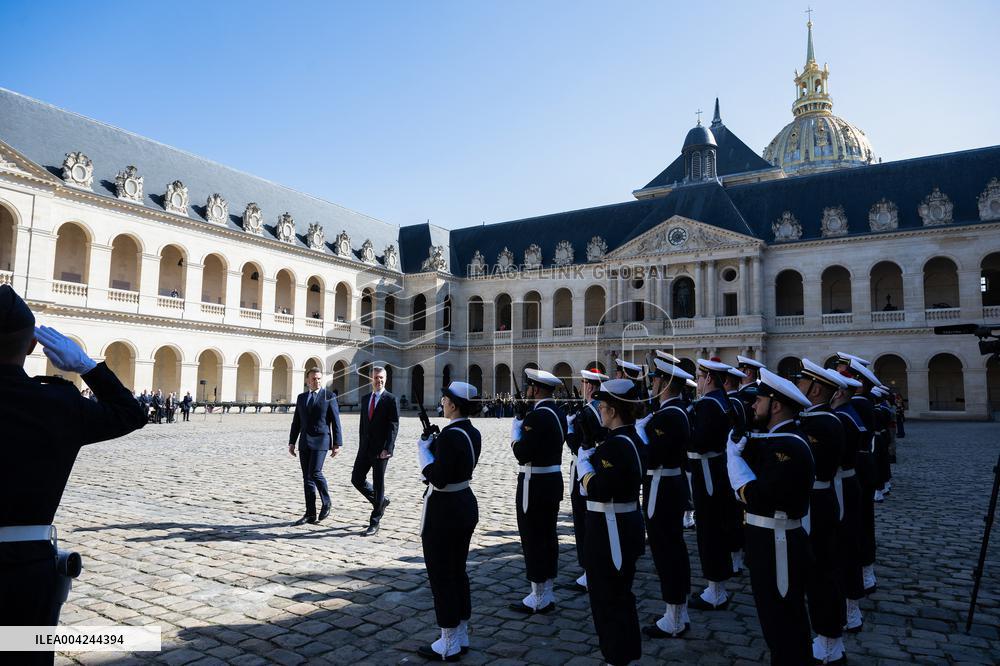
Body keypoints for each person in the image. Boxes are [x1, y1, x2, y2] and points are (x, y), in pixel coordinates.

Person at [0, 285, 146, 666]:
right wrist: (88, 367)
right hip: (26, 569)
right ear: (32, 346)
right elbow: (130, 414)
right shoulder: (57, 404)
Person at [727, 368, 815, 665]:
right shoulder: (780, 439)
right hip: (767, 540)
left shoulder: (787, 446)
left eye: (759, 401)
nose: (753, 406)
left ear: (775, 405)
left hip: (778, 542)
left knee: (782, 621)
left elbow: (757, 495)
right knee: (774, 617)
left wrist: (734, 461)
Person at [576, 378, 645, 665]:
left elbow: (598, 489)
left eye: (603, 406)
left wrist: (584, 468)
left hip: (610, 531)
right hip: (624, 524)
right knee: (621, 596)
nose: (600, 411)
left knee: (607, 601)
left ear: (614, 411)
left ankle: (616, 657)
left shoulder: (615, 446)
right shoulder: (632, 438)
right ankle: (624, 653)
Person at [415, 382, 482, 661]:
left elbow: (437, 476)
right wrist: (436, 446)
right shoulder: (471, 431)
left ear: (453, 404)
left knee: (442, 575)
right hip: (464, 503)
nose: (442, 402)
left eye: (445, 399)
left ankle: (448, 640)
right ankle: (461, 632)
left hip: (444, 510)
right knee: (458, 572)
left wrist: (424, 451)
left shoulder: (450, 436)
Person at [793, 359, 848, 664]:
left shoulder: (820, 423)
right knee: (818, 570)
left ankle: (828, 642)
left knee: (822, 571)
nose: (797, 385)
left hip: (817, 502)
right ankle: (826, 636)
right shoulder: (819, 419)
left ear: (814, 388)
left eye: (801, 381)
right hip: (818, 500)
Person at [641, 358, 694, 639]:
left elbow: (652, 456)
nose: (652, 383)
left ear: (664, 382)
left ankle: (673, 616)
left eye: (655, 379)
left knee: (666, 551)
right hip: (671, 483)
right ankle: (678, 611)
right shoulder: (675, 411)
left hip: (662, 485)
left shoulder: (669, 415)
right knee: (674, 549)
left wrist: (639, 437)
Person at [509, 368, 566, 613]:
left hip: (535, 483)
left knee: (533, 537)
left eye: (529, 387)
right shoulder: (559, 412)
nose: (527, 392)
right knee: (548, 536)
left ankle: (538, 595)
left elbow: (522, 453)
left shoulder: (536, 417)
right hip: (553, 480)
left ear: (535, 389)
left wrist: (515, 432)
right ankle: (548, 589)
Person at [687, 359, 738, 611]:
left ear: (708, 378)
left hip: (706, 471)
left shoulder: (709, 404)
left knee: (709, 531)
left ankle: (715, 589)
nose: (697, 381)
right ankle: (717, 585)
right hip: (718, 468)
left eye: (699, 376)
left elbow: (699, 440)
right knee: (716, 526)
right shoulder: (723, 400)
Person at [563, 367, 608, 593]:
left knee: (582, 520)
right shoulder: (602, 409)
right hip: (598, 468)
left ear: (590, 386)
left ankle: (588, 570)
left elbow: (575, 445)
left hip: (583, 470)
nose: (583, 387)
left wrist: (569, 428)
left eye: (584, 383)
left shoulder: (587, 413)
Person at [288, 367, 343, 525]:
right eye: (313, 378)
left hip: (321, 440)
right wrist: (292, 442)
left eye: (319, 378)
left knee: (315, 472)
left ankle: (326, 502)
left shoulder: (329, 396)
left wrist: (337, 443)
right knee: (307, 478)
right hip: (305, 441)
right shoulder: (301, 397)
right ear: (307, 380)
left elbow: (335, 421)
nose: (316, 381)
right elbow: (296, 422)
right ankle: (310, 513)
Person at [353, 366, 398, 536]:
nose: (378, 380)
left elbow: (394, 425)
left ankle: (375, 520)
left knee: (379, 484)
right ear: (371, 379)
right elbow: (363, 425)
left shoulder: (390, 399)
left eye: (381, 378)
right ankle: (381, 502)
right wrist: (360, 445)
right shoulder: (366, 399)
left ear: (385, 379)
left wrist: (388, 448)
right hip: (365, 448)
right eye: (376, 378)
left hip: (381, 450)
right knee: (356, 479)